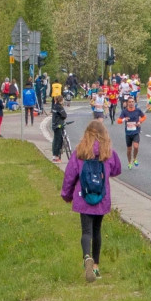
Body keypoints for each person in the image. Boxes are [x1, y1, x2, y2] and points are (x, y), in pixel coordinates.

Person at [61, 120, 122, 282]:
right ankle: (95, 267)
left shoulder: (80, 152)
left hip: (83, 196)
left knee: (86, 231)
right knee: (97, 231)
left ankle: (86, 256)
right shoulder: (108, 152)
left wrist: (67, 195)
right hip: (101, 197)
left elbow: (70, 176)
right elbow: (117, 169)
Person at [116, 96, 146, 169]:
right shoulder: (125, 111)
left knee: (136, 146)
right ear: (127, 103)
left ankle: (135, 158)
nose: (131, 103)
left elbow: (144, 117)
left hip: (136, 131)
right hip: (128, 133)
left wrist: (140, 122)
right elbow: (118, 121)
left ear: (134, 102)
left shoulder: (137, 110)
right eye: (129, 102)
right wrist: (124, 119)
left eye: (132, 102)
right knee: (129, 149)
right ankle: (129, 162)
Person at [51, 95, 67, 161]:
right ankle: (56, 156)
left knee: (55, 140)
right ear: (61, 100)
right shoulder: (60, 107)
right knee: (59, 140)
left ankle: (54, 154)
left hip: (54, 125)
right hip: (59, 125)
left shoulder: (54, 106)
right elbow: (64, 115)